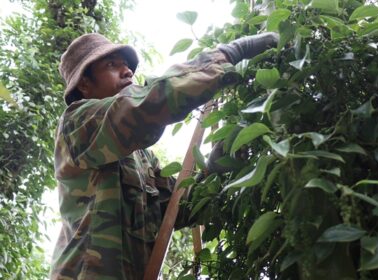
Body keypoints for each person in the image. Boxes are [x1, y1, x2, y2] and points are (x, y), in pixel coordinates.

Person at [50, 32, 278, 279]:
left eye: (127, 65)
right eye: (112, 65)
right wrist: (229, 54)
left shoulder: (141, 159)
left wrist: (217, 166)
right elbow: (145, 104)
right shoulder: (76, 125)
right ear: (84, 84)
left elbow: (177, 210)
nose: (127, 71)